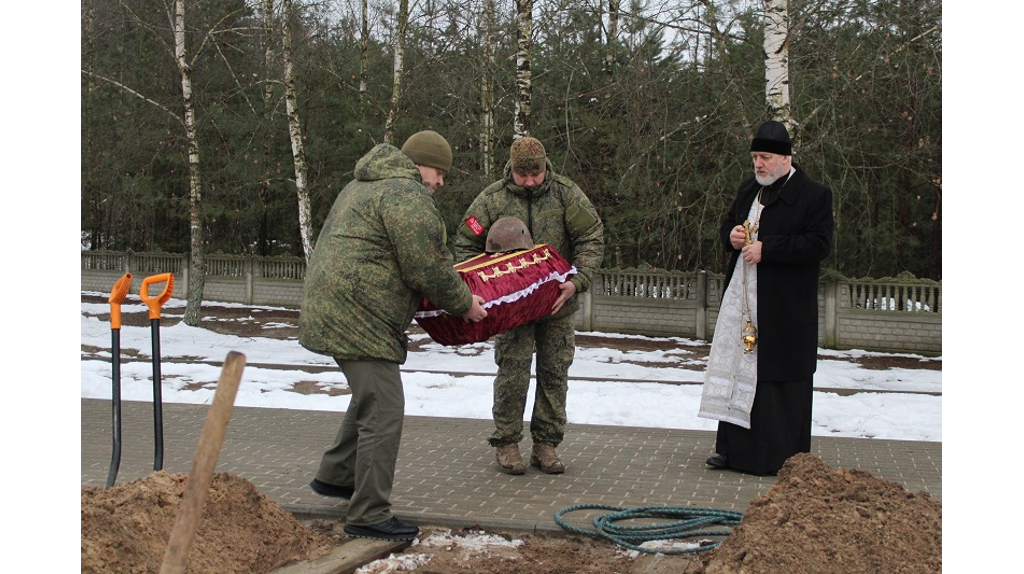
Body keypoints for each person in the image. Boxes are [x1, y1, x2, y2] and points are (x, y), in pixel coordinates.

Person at [299, 130, 488, 541]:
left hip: (335, 305)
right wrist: (465, 304)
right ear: (421, 164)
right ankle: (369, 514)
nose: (440, 183)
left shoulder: (364, 184)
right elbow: (427, 265)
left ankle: (337, 475)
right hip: (357, 312)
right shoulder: (405, 194)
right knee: (384, 411)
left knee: (371, 397)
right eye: (439, 172)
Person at [455, 136, 604, 475]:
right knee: (512, 374)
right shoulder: (491, 200)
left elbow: (591, 238)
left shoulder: (566, 194)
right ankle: (507, 443)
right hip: (510, 311)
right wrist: (479, 285)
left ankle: (546, 445)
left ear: (545, 166)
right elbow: (466, 239)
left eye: (535, 175)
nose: (530, 182)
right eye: (523, 176)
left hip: (557, 305)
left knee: (555, 374)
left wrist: (577, 282)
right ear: (512, 170)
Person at [697, 120, 834, 476]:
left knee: (775, 380)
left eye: (766, 157)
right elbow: (727, 223)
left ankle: (777, 458)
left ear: (786, 158)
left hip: (784, 308)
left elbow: (818, 244)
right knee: (740, 372)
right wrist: (733, 236)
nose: (759, 164)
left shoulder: (814, 194)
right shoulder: (749, 190)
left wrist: (767, 249)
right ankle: (732, 452)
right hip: (743, 300)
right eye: (755, 157)